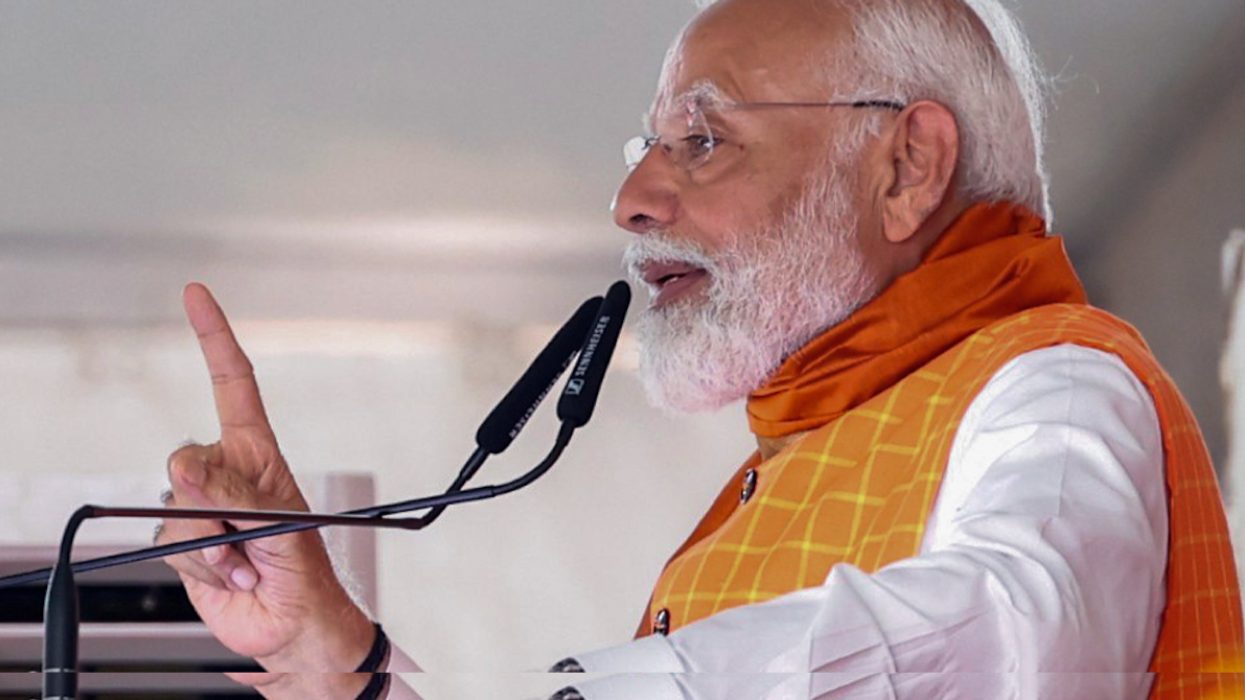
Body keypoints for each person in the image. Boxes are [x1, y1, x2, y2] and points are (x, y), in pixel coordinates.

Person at [156, 0, 1244, 698]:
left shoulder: (1053, 382)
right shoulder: (800, 458)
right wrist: (334, 658)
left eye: (703, 140)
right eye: (648, 148)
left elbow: (1018, 639)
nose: (631, 199)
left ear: (908, 165)